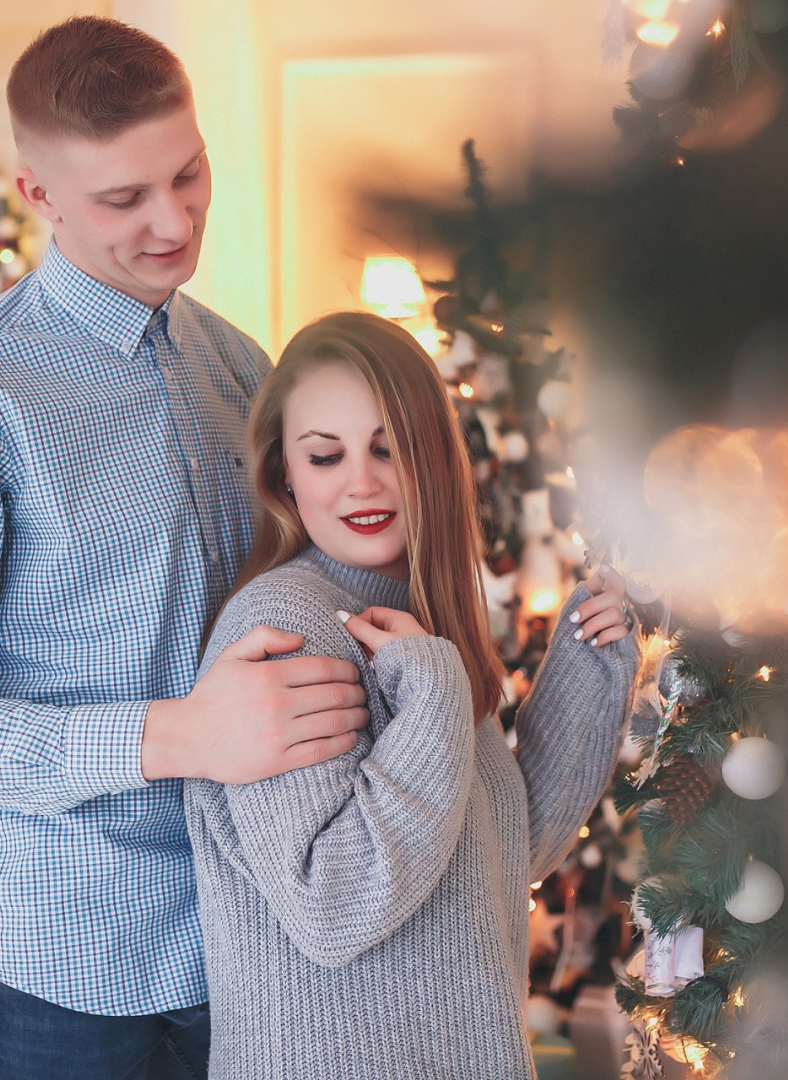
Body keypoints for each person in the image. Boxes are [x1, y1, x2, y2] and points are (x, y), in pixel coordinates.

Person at [0, 18, 368, 1080]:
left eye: (187, 175)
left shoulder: (237, 361)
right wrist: (174, 736)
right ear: (35, 194)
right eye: (122, 199)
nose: (173, 222)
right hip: (62, 980)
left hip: (252, 951)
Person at [184, 311, 641, 1079]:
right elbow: (333, 907)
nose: (361, 482)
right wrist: (433, 694)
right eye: (325, 456)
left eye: (388, 448)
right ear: (284, 474)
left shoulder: (416, 617)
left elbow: (499, 855)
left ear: (431, 456)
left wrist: (590, 664)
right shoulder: (288, 625)